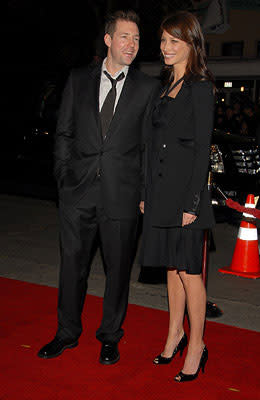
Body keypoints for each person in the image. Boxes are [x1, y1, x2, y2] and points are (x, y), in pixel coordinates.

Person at [38, 10, 158, 365]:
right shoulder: (78, 80)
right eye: (125, 37)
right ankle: (66, 333)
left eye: (136, 39)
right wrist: (63, 176)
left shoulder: (148, 87)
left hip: (122, 196)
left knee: (117, 270)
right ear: (108, 40)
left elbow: (149, 146)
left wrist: (144, 193)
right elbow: (64, 132)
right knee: (71, 266)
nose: (132, 45)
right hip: (77, 191)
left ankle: (109, 336)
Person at [139, 11, 215, 382]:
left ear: (191, 44)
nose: (165, 48)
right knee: (171, 268)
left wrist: (192, 203)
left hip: (186, 195)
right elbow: (152, 144)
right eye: (163, 40)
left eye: (174, 41)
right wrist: (145, 192)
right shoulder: (164, 86)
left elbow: (201, 150)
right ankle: (175, 333)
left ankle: (197, 345)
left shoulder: (201, 88)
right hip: (160, 191)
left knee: (190, 272)